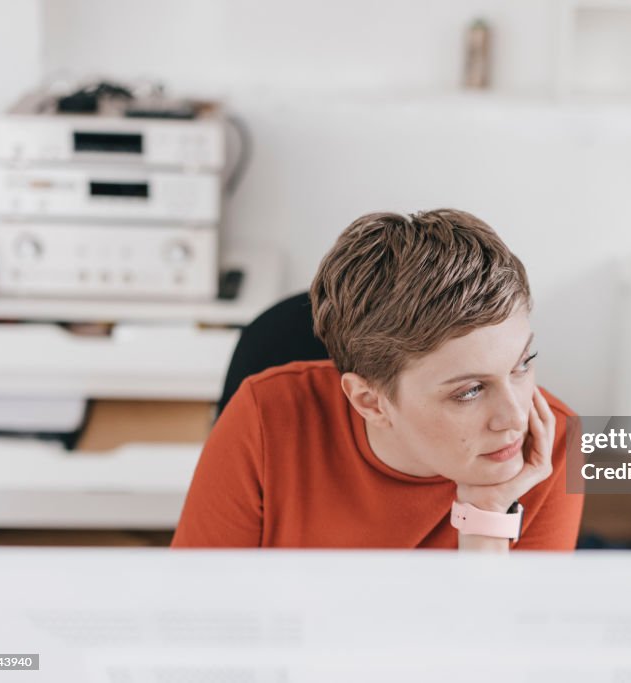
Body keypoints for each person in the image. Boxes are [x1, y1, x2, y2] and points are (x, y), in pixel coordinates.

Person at [171, 209, 583, 551]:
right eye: (469, 391)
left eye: (523, 363)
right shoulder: (264, 418)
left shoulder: (553, 444)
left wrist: (487, 517)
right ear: (369, 402)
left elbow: (498, 648)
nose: (514, 417)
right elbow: (198, 616)